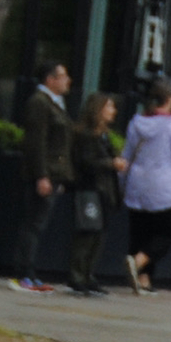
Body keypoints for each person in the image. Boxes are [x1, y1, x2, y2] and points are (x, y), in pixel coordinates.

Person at [119, 84, 171, 296]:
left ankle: (144, 279)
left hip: (137, 185)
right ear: (169, 100)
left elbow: (127, 154)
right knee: (168, 233)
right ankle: (138, 261)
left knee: (140, 233)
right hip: (165, 188)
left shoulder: (136, 123)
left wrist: (121, 183)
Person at [12, 61, 74, 294]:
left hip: (53, 173)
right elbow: (36, 142)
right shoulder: (40, 103)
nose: (67, 81)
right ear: (50, 79)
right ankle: (23, 272)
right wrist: (42, 175)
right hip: (43, 173)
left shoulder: (56, 104)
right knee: (33, 223)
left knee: (38, 223)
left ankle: (29, 270)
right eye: (63, 76)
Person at [64, 92, 125, 297]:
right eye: (109, 107)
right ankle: (77, 275)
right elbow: (86, 162)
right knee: (87, 233)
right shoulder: (85, 135)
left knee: (99, 234)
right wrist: (111, 163)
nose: (113, 111)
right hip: (90, 188)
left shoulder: (104, 135)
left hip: (104, 191)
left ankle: (88, 274)